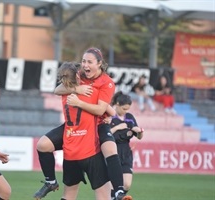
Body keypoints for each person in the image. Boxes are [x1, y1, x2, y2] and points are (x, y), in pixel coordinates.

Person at [34, 47, 132, 200]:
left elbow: (102, 110)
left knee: (109, 148)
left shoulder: (106, 82)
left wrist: (80, 103)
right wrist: (77, 89)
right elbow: (58, 89)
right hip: (74, 130)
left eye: (89, 62)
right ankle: (50, 181)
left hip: (97, 123)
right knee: (43, 145)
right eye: (83, 61)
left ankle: (119, 189)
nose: (85, 65)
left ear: (99, 63)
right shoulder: (78, 75)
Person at [58, 62, 110, 199]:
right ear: (77, 74)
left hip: (70, 152)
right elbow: (108, 111)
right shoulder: (89, 91)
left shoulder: (65, 93)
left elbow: (57, 89)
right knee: (104, 192)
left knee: (69, 194)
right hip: (89, 151)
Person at [109, 91, 144, 197]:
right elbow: (104, 134)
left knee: (127, 184)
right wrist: (117, 128)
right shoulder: (110, 116)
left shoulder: (130, 117)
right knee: (111, 184)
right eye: (124, 109)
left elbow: (139, 137)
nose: (125, 111)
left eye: (127, 109)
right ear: (117, 104)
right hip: (112, 151)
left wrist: (139, 132)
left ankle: (116, 198)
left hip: (126, 153)